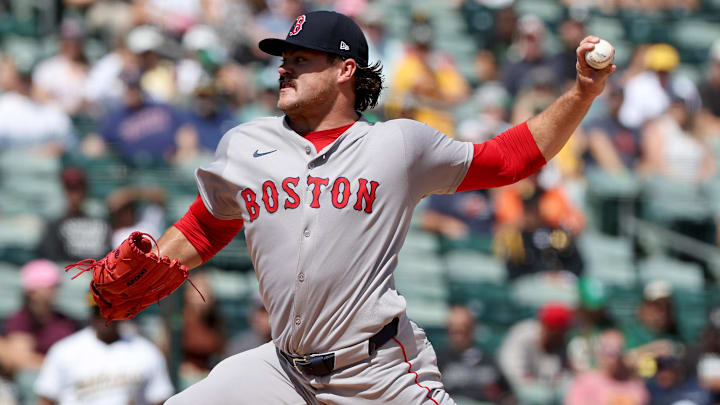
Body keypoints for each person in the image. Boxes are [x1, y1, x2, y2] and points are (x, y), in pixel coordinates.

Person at [79, 10, 615, 404]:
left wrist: (581, 95)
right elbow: (207, 223)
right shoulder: (245, 144)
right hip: (283, 372)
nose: (283, 70)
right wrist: (159, 258)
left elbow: (505, 161)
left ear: (344, 69)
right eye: (283, 60)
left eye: (300, 59)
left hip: (377, 372)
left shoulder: (398, 145)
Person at [34, 296, 174, 405]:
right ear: (91, 314)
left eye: (111, 311)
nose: (105, 318)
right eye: (99, 311)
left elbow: (159, 398)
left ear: (122, 313)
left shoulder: (146, 352)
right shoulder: (64, 350)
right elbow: (46, 399)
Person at [0, 260, 78, 377]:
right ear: (32, 292)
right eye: (49, 287)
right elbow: (20, 360)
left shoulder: (65, 321)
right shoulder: (19, 321)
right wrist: (60, 366)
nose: (55, 291)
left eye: (55, 286)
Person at [499, 302, 575, 404]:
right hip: (513, 394)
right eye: (552, 328)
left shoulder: (564, 346)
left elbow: (565, 378)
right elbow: (512, 373)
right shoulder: (523, 334)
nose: (558, 334)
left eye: (562, 330)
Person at [437, 306, 515, 404]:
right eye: (455, 331)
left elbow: (508, 394)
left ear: (473, 329)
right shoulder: (438, 361)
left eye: (464, 330)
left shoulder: (489, 361)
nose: (459, 336)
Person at [36, 168, 111, 262]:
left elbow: (108, 255)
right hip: (68, 273)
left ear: (86, 191)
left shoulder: (101, 224)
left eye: (79, 189)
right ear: (63, 191)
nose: (75, 195)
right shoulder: (54, 225)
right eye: (70, 189)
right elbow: (52, 258)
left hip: (98, 272)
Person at [565, 329, 649, 405]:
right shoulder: (585, 381)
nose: (614, 359)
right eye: (609, 352)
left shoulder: (635, 386)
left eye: (617, 352)